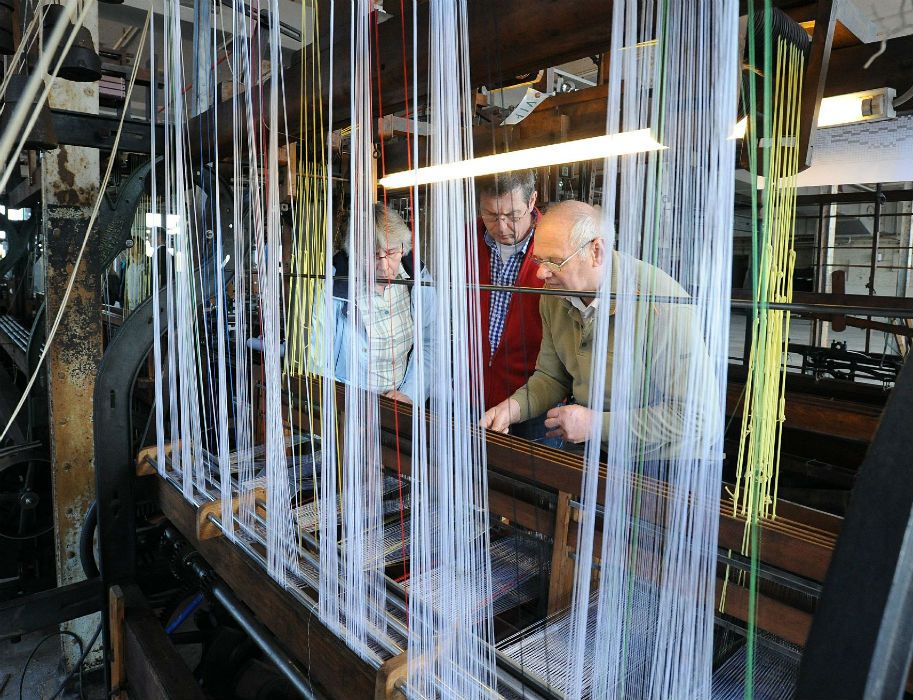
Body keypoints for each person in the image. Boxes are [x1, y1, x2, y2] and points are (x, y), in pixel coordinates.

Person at [481, 200, 717, 456]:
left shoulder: (661, 304)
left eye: (555, 261)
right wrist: (512, 409)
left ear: (597, 252)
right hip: (602, 447)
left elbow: (698, 416)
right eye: (539, 260)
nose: (541, 274)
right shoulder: (554, 294)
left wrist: (595, 424)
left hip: (665, 460)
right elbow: (552, 376)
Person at [329, 203, 434, 404]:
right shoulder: (334, 287)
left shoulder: (417, 278)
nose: (384, 266)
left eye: (392, 252)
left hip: (401, 406)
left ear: (403, 248)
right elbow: (317, 363)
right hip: (348, 408)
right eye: (373, 255)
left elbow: (431, 344)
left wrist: (409, 395)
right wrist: (353, 405)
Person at [474, 170, 549, 439]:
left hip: (535, 399)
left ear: (532, 200)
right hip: (474, 393)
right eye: (491, 215)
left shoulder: (554, 245)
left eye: (512, 216)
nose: (502, 227)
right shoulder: (466, 239)